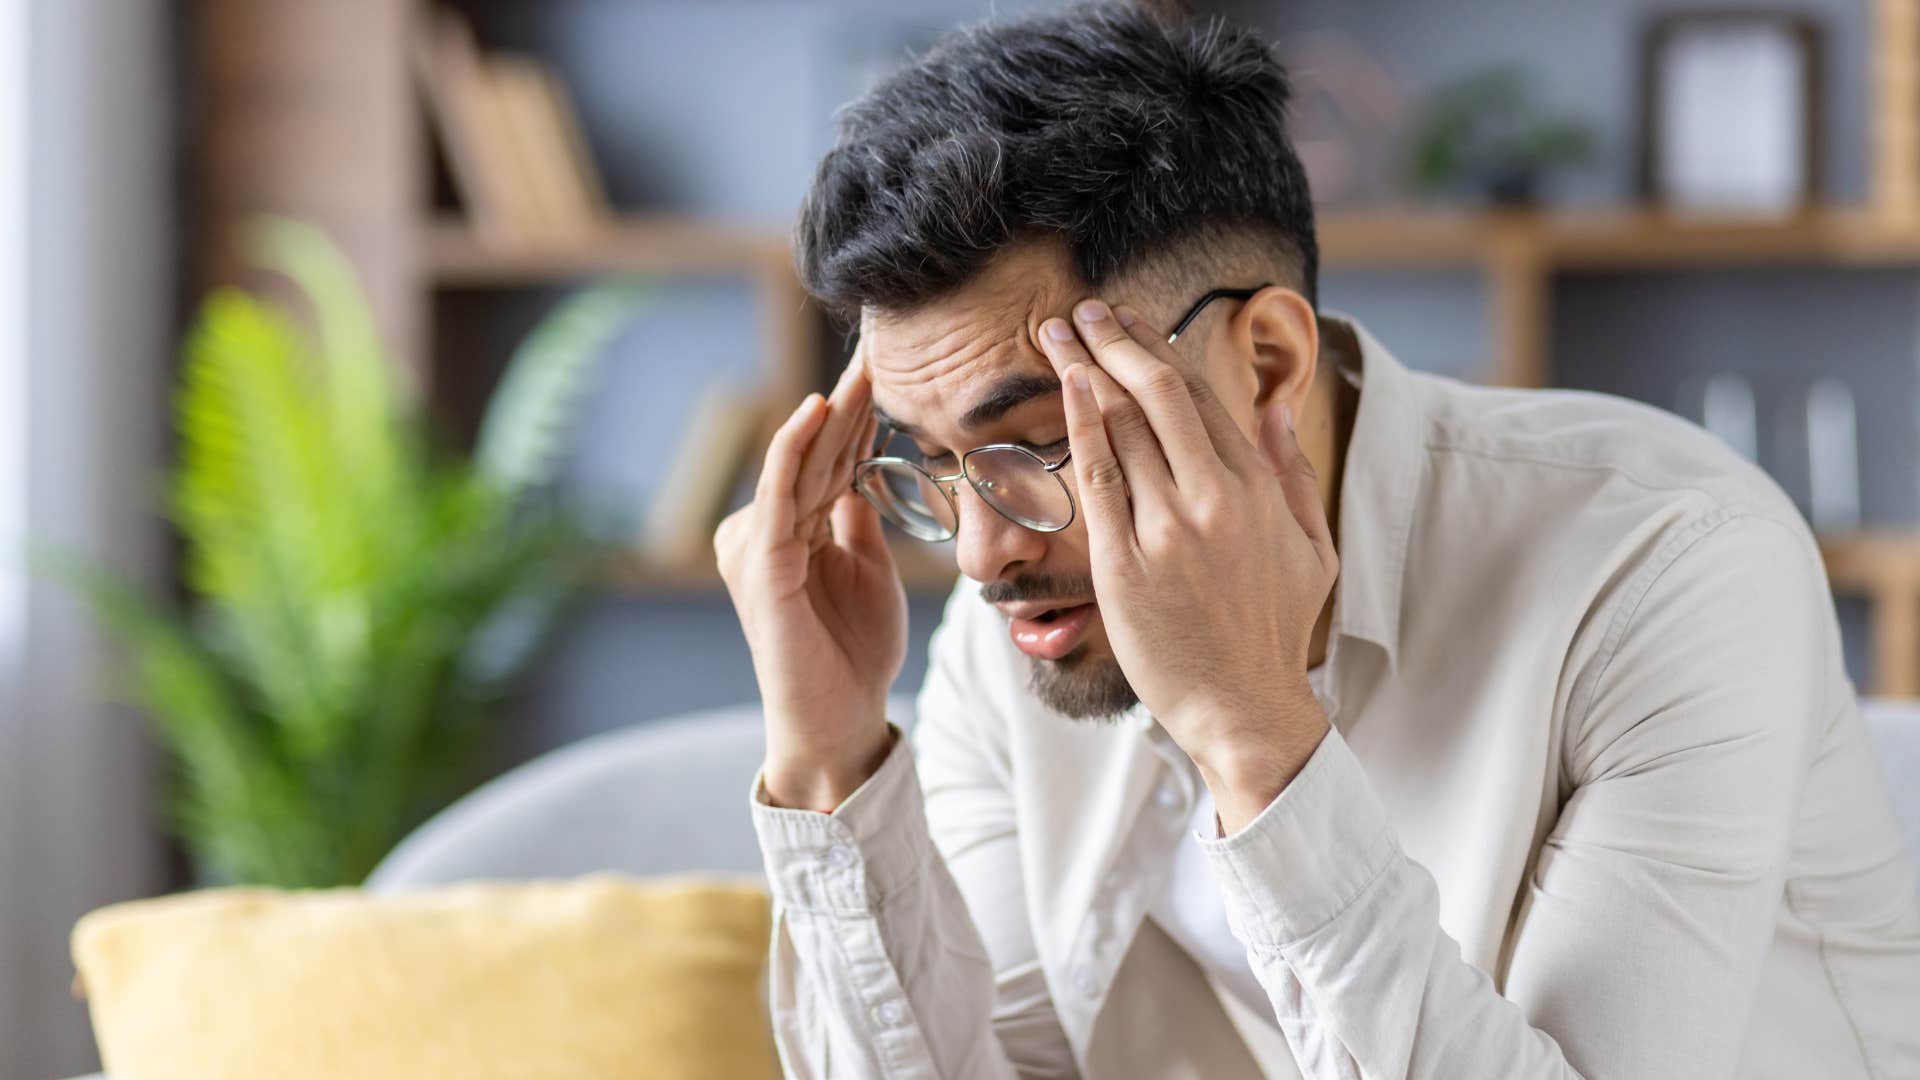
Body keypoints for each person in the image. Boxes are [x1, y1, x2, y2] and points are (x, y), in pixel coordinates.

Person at [713, 4, 1920, 1077]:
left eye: (1038, 445)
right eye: (926, 463)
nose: (977, 554)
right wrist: (831, 762)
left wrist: (1254, 731)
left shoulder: (1669, 567)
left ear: (1269, 365)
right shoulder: (1028, 628)